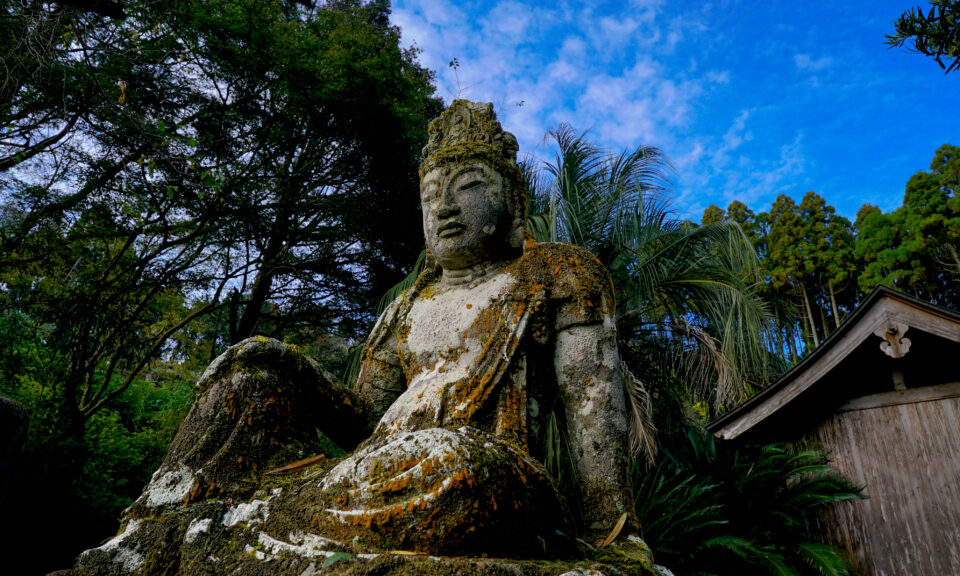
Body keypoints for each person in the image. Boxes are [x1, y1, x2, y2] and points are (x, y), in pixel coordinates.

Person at [62, 101, 646, 575]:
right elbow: (364, 416)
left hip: (481, 465)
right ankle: (167, 524)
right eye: (430, 193)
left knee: (450, 464)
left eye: (467, 186)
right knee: (250, 376)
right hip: (374, 465)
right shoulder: (404, 307)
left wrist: (613, 535)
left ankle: (254, 520)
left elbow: (591, 408)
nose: (444, 207)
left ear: (512, 201)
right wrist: (290, 365)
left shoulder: (558, 275)